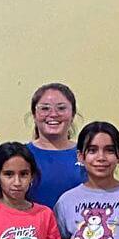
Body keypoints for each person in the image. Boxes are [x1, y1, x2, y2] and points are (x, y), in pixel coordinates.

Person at [25, 82, 86, 213]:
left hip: (78, 231)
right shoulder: (21, 155)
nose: (53, 114)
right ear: (34, 115)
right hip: (30, 231)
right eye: (45, 108)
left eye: (61, 108)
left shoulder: (87, 155)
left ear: (73, 114)